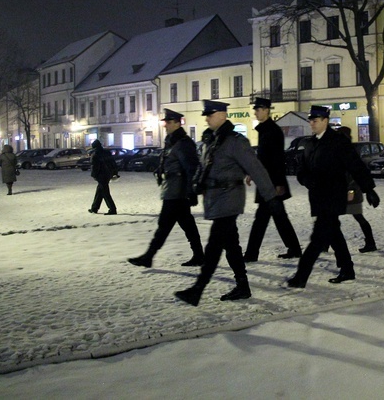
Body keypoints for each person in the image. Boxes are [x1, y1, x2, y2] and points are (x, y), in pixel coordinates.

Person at [175, 100, 281, 306]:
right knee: (231, 244)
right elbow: (203, 167)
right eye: (206, 115)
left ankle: (198, 289)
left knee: (214, 245)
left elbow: (256, 168)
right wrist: (194, 187)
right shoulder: (212, 140)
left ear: (223, 115)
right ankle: (243, 286)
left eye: (211, 114)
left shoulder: (234, 141)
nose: (207, 118)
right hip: (215, 198)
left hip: (229, 197)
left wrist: (271, 197)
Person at [286, 105, 380, 288]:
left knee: (318, 238)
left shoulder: (338, 141)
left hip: (333, 197)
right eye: (310, 120)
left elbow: (356, 165)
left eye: (315, 120)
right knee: (334, 234)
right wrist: (306, 180)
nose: (311, 123)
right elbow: (301, 170)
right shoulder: (310, 143)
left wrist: (369, 189)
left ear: (325, 121)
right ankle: (347, 269)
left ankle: (301, 276)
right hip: (318, 197)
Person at [128, 109, 204, 268]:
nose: (165, 125)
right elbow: (170, 162)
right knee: (187, 224)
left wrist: (191, 191)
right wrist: (160, 170)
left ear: (177, 123)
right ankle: (199, 255)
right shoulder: (172, 141)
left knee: (165, 225)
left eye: (169, 122)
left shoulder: (183, 143)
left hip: (177, 192)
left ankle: (148, 256)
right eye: (165, 122)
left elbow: (191, 168)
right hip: (173, 190)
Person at [243, 97, 302, 262]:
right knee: (276, 218)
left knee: (264, 220)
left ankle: (251, 254)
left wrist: (278, 184)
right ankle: (294, 249)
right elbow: (263, 158)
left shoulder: (272, 131)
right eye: (255, 109)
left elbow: (276, 159)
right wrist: (252, 173)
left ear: (266, 110)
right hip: (266, 182)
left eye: (258, 109)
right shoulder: (265, 130)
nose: (255, 112)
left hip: (270, 184)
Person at [334, 126, 377, 253]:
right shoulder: (341, 149)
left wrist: (351, 189)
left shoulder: (350, 150)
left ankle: (370, 242)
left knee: (358, 216)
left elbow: (356, 172)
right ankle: (327, 242)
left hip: (350, 191)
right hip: (341, 190)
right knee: (332, 217)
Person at [88, 139, 118, 215]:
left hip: (101, 175)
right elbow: (113, 163)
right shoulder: (107, 152)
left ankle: (112, 209)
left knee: (105, 192)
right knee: (100, 191)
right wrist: (115, 172)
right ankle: (94, 208)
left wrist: (94, 175)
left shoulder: (95, 154)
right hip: (108, 174)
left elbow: (94, 167)